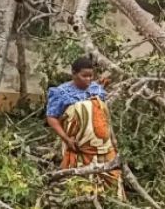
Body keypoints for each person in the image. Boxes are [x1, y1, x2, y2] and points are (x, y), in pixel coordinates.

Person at [46, 56, 124, 198]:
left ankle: (111, 202)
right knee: (82, 183)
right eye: (84, 76)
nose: (88, 79)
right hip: (79, 148)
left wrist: (112, 138)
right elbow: (51, 117)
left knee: (112, 178)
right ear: (74, 73)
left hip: (104, 146)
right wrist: (66, 139)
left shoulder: (96, 89)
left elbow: (101, 114)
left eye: (90, 76)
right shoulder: (61, 93)